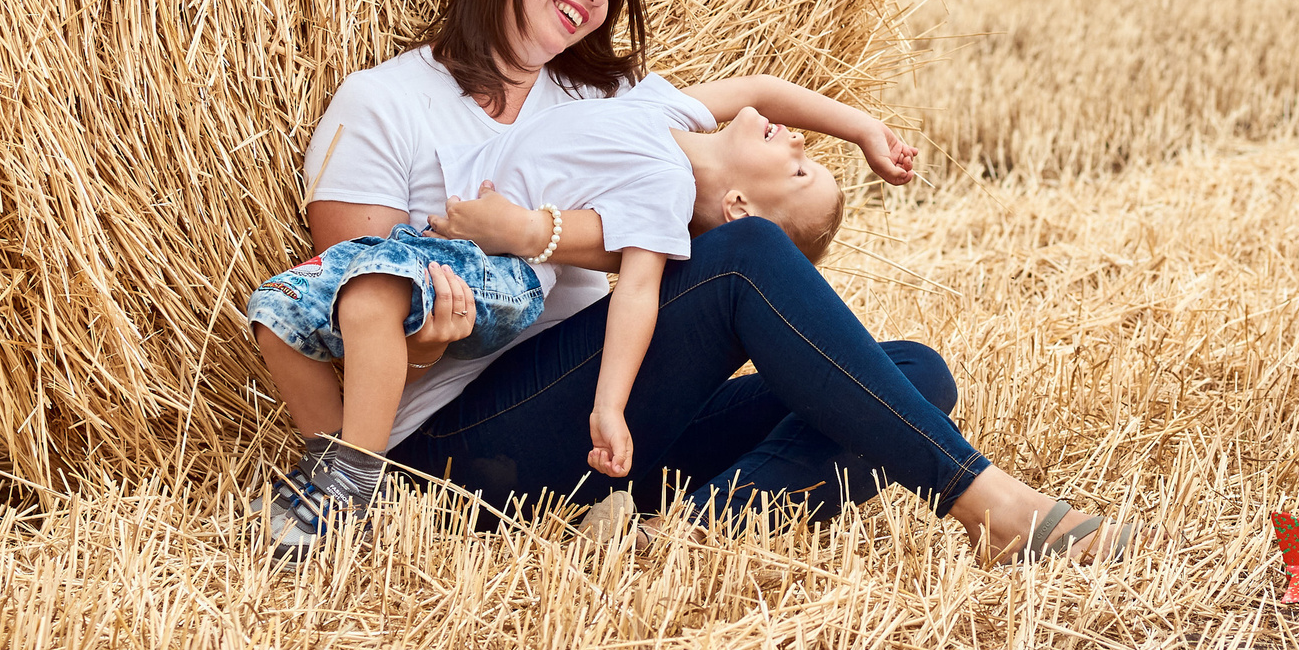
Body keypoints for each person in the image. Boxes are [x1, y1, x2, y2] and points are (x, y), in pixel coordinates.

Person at [273, 0, 1129, 565]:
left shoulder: (599, 99)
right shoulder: (386, 105)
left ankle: (681, 535)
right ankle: (989, 503)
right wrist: (431, 336)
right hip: (452, 456)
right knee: (749, 256)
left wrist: (857, 130)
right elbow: (353, 326)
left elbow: (728, 136)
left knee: (916, 374)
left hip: (605, 430)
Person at [246, 68, 901, 556]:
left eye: (799, 172)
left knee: (916, 372)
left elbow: (638, 296)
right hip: (454, 302)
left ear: (739, 207)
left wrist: (610, 405)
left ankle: (675, 533)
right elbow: (764, 85)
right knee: (273, 309)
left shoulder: (665, 192)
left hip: (501, 277)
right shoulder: (651, 105)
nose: (799, 146)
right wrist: (863, 125)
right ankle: (337, 470)